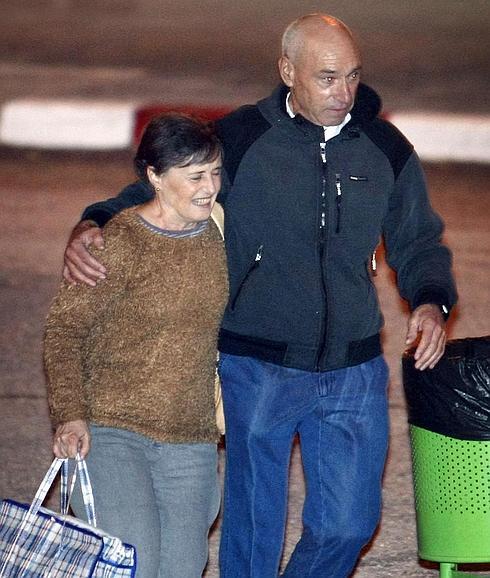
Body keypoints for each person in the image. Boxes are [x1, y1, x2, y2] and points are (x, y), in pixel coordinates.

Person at [62, 14, 457, 578]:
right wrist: (94, 221)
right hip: (256, 361)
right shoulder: (243, 136)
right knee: (254, 526)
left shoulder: (385, 148)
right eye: (326, 78)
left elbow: (418, 240)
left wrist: (431, 301)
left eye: (352, 76)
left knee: (349, 524)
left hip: (354, 365)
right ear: (287, 71)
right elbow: (167, 187)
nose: (344, 93)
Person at [44, 113, 228, 578]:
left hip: (190, 436)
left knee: (183, 567)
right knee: (133, 562)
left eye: (214, 173)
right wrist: (70, 413)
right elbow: (64, 330)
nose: (209, 187)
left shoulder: (222, 238)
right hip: (111, 430)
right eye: (194, 176)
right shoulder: (117, 242)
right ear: (155, 177)